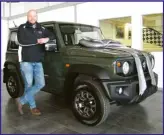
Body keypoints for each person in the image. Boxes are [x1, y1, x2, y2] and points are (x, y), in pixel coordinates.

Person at [16, 9, 55, 115]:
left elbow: (52, 35)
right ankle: (33, 107)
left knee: (41, 84)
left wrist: (47, 39)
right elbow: (20, 41)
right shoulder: (22, 28)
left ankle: (22, 100)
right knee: (28, 85)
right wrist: (37, 41)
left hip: (38, 61)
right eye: (30, 16)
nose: (32, 18)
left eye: (34, 16)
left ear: (37, 17)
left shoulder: (41, 28)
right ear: (27, 17)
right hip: (26, 62)